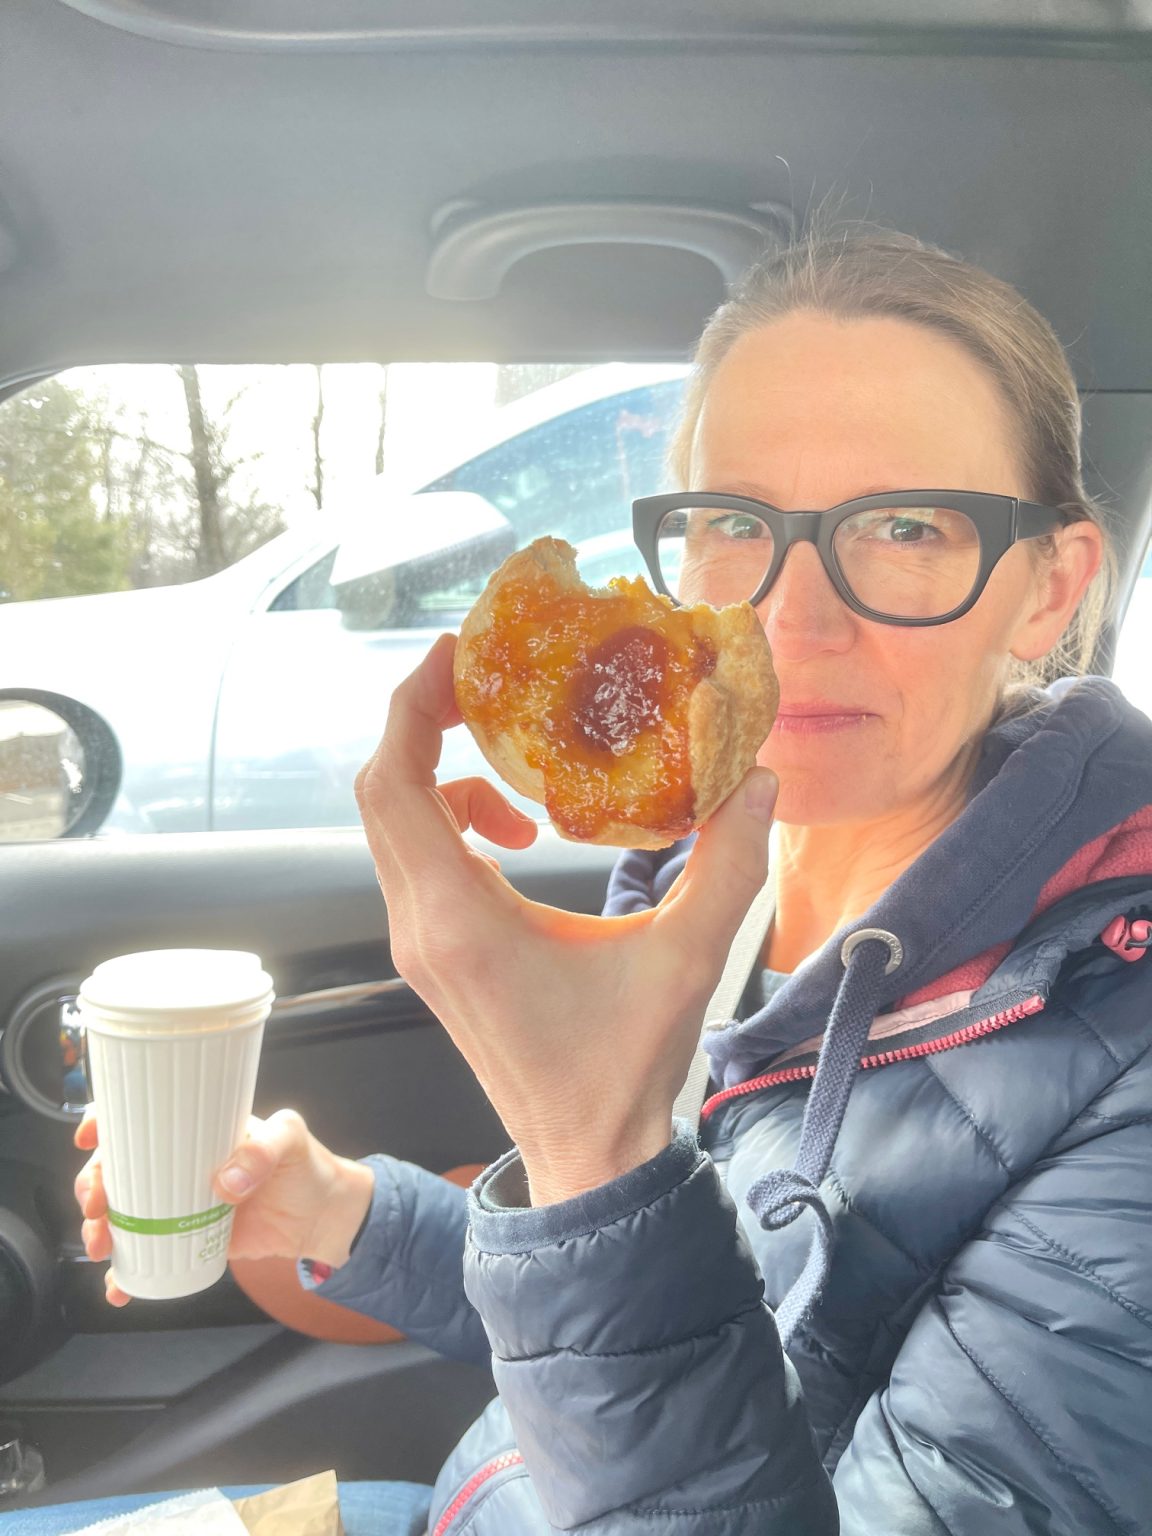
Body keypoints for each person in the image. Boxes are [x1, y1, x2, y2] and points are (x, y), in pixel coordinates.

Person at [20, 226, 1152, 1534]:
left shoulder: (1117, 1059)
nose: (792, 617)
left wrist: (593, 1143)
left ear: (1047, 589)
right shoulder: (709, 881)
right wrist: (343, 1211)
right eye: (736, 523)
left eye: (906, 526)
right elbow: (629, 1304)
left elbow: (631, 1277)